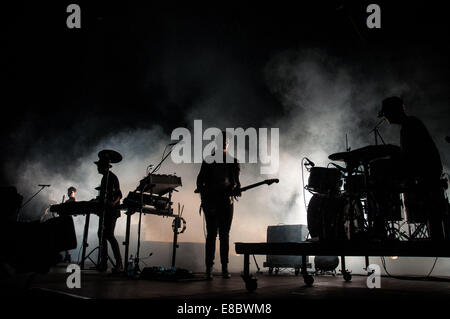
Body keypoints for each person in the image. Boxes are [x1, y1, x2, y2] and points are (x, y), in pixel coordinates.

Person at [378, 96, 447, 240]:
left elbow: (413, 156)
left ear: (393, 112)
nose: (385, 118)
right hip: (427, 173)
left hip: (427, 174)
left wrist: (395, 159)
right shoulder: (411, 124)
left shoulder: (410, 126)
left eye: (386, 115)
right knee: (433, 216)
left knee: (383, 186)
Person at [195, 132, 241, 279]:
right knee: (211, 236)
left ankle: (224, 268)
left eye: (225, 141)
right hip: (211, 202)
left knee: (224, 236)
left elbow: (237, 183)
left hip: (226, 202)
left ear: (227, 143)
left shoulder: (233, 161)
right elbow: (200, 181)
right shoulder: (208, 160)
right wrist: (206, 197)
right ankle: (209, 268)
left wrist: (236, 190)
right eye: (221, 141)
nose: (223, 143)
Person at [95, 158, 123, 272]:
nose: (97, 168)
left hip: (111, 211)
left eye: (99, 166)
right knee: (101, 234)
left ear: (104, 167)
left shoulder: (112, 177)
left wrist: (112, 203)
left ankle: (119, 263)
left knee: (109, 235)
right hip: (105, 211)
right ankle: (104, 262)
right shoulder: (104, 178)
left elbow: (119, 195)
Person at [62, 186, 77, 263]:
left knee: (66, 237)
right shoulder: (67, 200)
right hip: (64, 218)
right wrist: (63, 201)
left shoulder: (73, 199)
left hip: (68, 219)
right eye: (69, 191)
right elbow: (62, 208)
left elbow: (74, 211)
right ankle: (67, 255)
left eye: (71, 191)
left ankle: (68, 255)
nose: (69, 193)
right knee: (64, 237)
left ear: (73, 192)